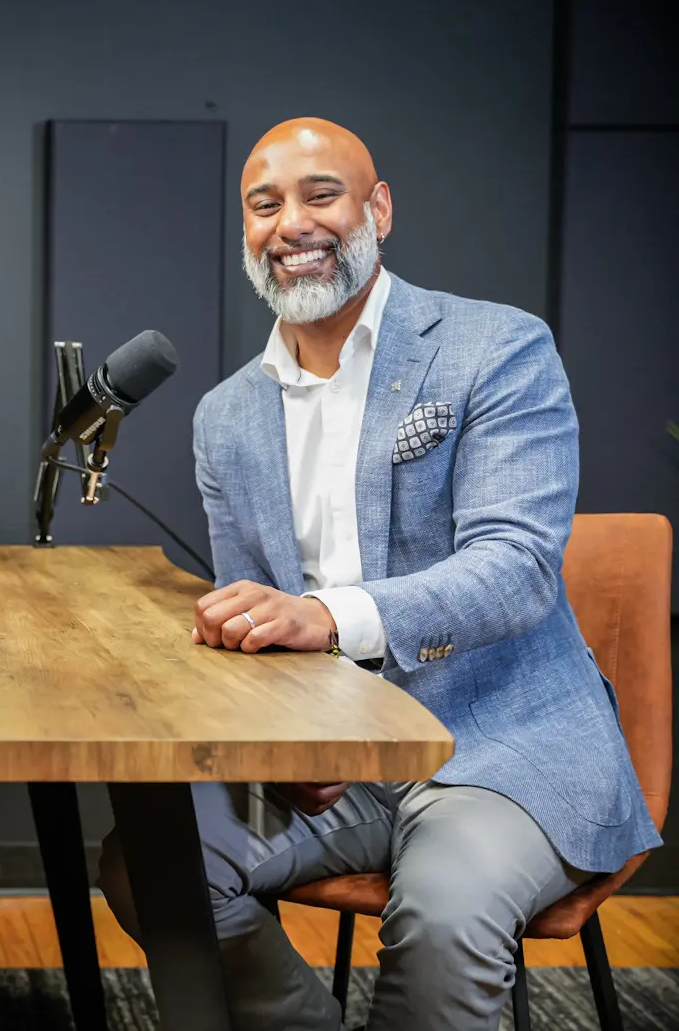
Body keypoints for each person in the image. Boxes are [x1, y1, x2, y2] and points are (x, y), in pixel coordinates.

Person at [97, 118, 659, 1030]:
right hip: (335, 763)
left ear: (378, 209)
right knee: (151, 862)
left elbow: (515, 570)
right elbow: (259, 624)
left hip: (500, 743)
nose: (292, 223)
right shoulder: (225, 417)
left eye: (320, 194)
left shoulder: (495, 348)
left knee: (443, 913)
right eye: (264, 204)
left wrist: (325, 615)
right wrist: (278, 744)